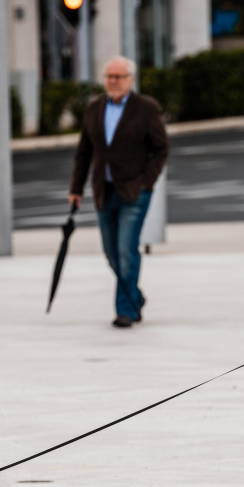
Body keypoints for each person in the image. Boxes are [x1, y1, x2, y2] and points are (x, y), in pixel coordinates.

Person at [69, 56, 169, 328]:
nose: (112, 82)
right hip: (104, 189)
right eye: (108, 77)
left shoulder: (146, 109)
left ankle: (125, 310)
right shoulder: (94, 109)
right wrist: (76, 188)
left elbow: (160, 149)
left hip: (134, 191)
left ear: (131, 80)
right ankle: (135, 296)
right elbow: (84, 152)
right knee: (111, 252)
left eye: (118, 77)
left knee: (126, 249)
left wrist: (146, 181)